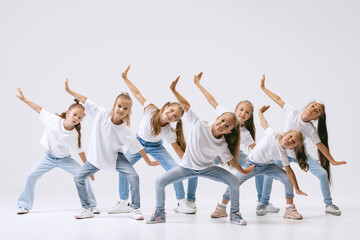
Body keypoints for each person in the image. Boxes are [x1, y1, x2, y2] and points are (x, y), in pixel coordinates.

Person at [146, 74, 254, 225]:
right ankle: (159, 213)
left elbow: (231, 160)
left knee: (234, 181)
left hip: (207, 169)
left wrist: (242, 171)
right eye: (222, 120)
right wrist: (174, 90)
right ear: (217, 118)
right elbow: (186, 105)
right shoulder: (199, 123)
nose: (222, 125)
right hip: (186, 168)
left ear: (228, 131)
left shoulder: (222, 144)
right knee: (159, 182)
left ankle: (235, 214)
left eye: (227, 126)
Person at [108, 65, 198, 215]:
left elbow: (177, 149)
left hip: (156, 147)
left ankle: (181, 202)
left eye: (175, 117)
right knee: (123, 168)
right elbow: (136, 93)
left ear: (176, 121)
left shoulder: (168, 131)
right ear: (165, 107)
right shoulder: (150, 110)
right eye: (171, 111)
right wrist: (125, 79)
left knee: (175, 170)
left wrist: (190, 161)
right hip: (138, 143)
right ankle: (124, 202)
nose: (171, 116)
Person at [65, 78, 159, 219]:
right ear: (114, 105)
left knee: (134, 177)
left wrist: (149, 162)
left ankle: (135, 209)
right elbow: (85, 99)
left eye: (125, 108)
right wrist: (69, 90)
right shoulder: (101, 113)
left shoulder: (124, 130)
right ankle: (87, 208)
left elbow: (138, 147)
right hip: (97, 157)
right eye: (119, 106)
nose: (121, 110)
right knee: (79, 177)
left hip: (116, 158)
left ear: (128, 112)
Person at [193, 73, 280, 217]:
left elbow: (256, 148)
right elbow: (211, 100)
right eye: (241, 109)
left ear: (250, 117)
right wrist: (198, 84)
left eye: (247, 112)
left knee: (255, 165)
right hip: (214, 153)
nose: (243, 113)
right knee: (194, 168)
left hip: (232, 156)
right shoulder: (225, 115)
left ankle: (261, 202)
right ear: (235, 109)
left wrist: (271, 153)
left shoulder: (245, 133)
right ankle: (189, 199)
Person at [258, 74, 346, 216]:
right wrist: (263, 88)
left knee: (323, 173)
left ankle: (329, 204)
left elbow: (321, 146)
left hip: (300, 156)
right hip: (282, 153)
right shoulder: (292, 112)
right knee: (269, 174)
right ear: (307, 106)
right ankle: (263, 203)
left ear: (316, 117)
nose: (313, 109)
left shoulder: (311, 129)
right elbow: (278, 99)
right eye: (313, 106)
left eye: (317, 111)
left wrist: (332, 161)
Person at [213, 105, 308, 220]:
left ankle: (289, 210)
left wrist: (296, 188)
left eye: (293, 142)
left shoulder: (283, 154)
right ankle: (221, 208)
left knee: (287, 179)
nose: (290, 140)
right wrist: (260, 112)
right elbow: (264, 123)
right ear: (285, 134)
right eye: (290, 136)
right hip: (251, 163)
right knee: (234, 181)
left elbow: (289, 171)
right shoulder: (272, 135)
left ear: (292, 148)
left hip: (268, 166)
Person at [16, 88, 98, 215]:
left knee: (83, 176)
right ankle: (24, 205)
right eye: (74, 114)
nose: (76, 118)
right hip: (48, 157)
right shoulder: (52, 120)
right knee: (31, 175)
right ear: (68, 113)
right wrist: (24, 99)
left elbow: (80, 152)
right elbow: (38, 109)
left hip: (65, 159)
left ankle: (92, 205)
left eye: (80, 117)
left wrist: (89, 170)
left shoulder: (74, 135)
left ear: (82, 120)